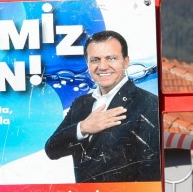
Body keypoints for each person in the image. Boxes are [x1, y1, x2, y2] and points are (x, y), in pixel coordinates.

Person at [43, 30, 161, 183]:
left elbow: (151, 171)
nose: (103, 66)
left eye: (111, 58)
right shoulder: (81, 104)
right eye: (95, 60)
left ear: (126, 62)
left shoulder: (148, 103)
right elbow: (52, 150)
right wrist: (83, 127)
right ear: (88, 64)